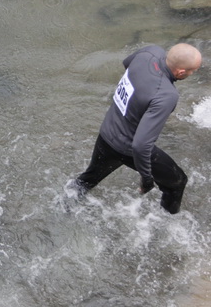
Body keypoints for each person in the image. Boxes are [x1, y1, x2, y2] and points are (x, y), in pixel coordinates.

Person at [68, 43, 202, 214]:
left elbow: (127, 64)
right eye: (193, 71)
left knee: (87, 180)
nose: (192, 73)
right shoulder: (167, 95)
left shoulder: (149, 52)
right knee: (178, 181)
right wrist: (146, 178)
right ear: (181, 72)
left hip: (107, 133)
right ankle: (167, 221)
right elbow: (140, 145)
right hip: (127, 147)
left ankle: (62, 206)